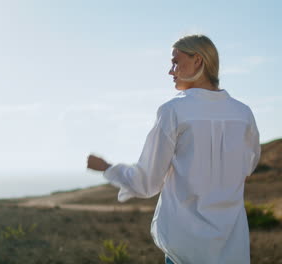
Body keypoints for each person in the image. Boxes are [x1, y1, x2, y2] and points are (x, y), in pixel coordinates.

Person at [87, 34, 261, 264]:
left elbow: (146, 182)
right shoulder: (243, 113)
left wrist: (107, 168)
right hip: (232, 248)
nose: (171, 71)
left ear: (198, 61)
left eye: (176, 62)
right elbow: (248, 168)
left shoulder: (174, 111)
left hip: (186, 250)